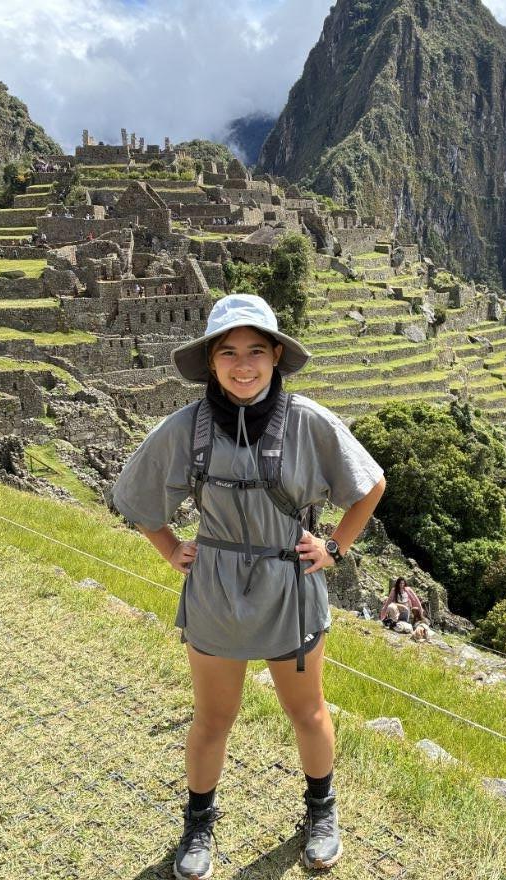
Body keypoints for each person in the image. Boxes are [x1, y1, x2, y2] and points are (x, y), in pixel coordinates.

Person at [112, 293, 385, 878]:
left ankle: (321, 812)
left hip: (290, 583)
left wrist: (334, 547)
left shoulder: (308, 420)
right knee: (213, 718)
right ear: (211, 361)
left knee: (307, 712)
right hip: (215, 587)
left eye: (256, 351)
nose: (243, 365)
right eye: (229, 352)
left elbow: (370, 486)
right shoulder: (186, 427)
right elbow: (136, 497)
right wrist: (169, 549)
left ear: (277, 356)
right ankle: (198, 822)